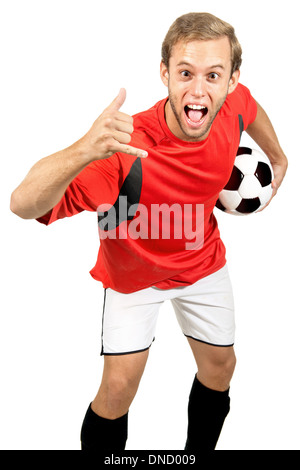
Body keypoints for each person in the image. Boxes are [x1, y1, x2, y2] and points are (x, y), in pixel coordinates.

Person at [10, 12, 287, 451]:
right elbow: (22, 204)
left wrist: (278, 156)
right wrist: (84, 148)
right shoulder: (125, 149)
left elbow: (250, 107)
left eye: (213, 75)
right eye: (185, 73)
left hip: (202, 263)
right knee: (118, 389)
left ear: (231, 80)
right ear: (165, 74)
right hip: (132, 278)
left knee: (220, 368)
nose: (199, 90)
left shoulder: (232, 105)